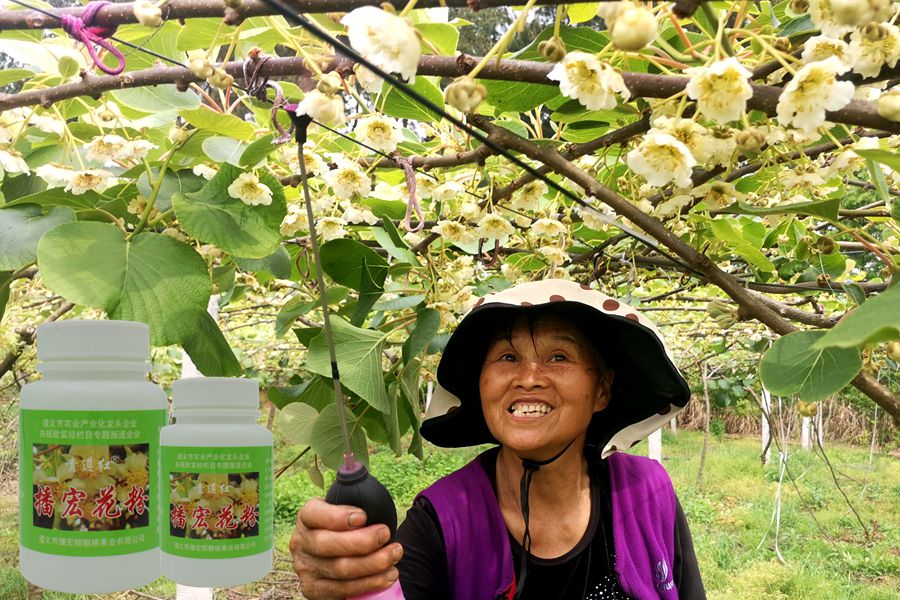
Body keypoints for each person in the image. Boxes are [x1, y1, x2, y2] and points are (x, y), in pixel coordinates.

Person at [290, 279, 706, 600]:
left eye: (558, 357)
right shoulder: (442, 518)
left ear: (602, 390)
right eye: (507, 358)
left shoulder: (648, 490)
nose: (528, 378)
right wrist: (348, 581)